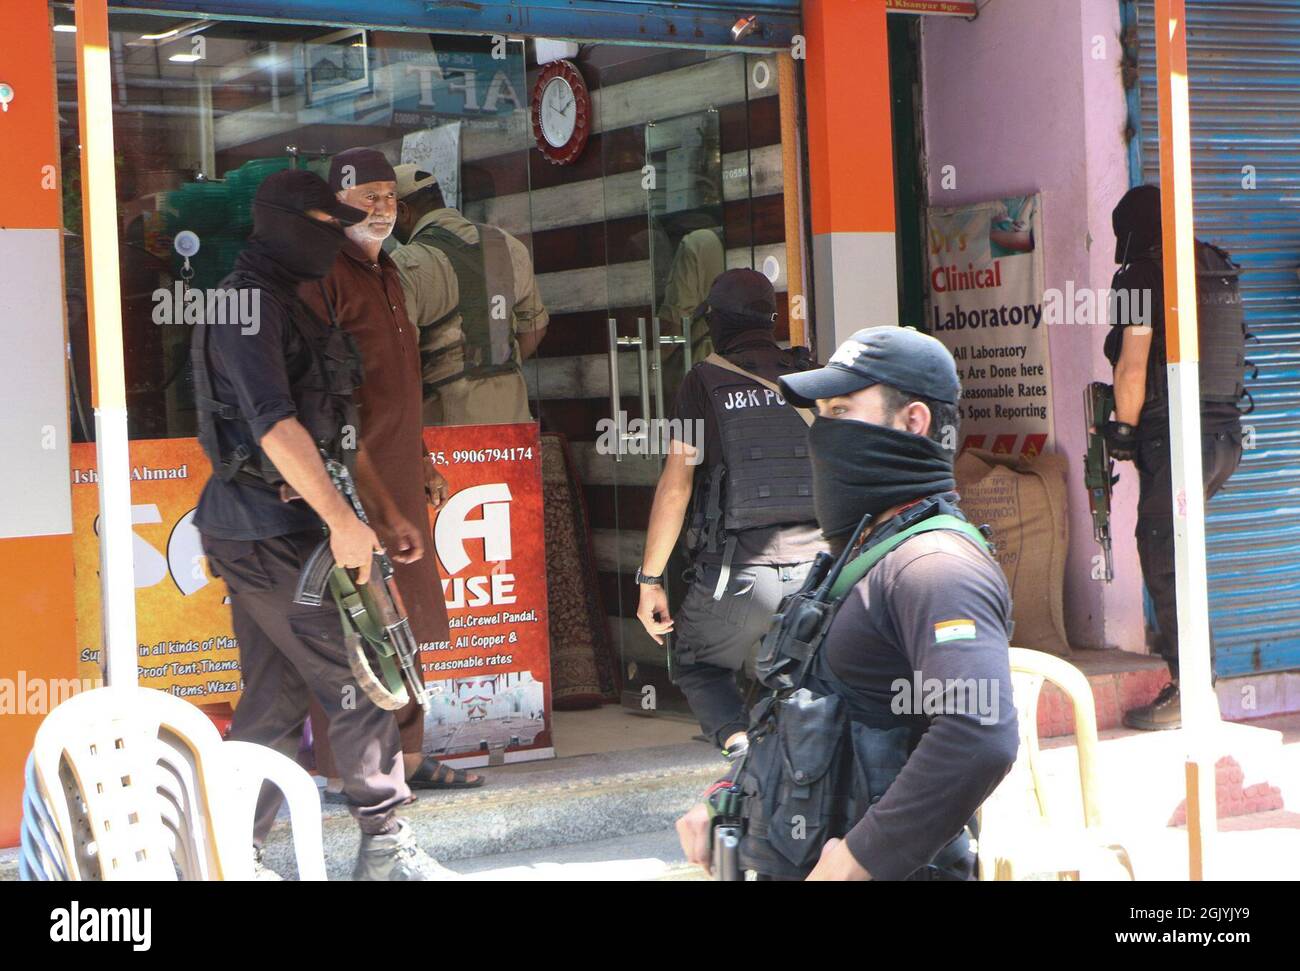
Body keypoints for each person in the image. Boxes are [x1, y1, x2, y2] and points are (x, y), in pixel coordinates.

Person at [674, 326, 1020, 880]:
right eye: (822, 413)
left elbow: (977, 735)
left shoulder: (934, 566)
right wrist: (729, 798)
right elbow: (799, 710)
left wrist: (859, 861)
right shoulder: (865, 550)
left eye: (840, 410)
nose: (821, 431)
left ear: (913, 422)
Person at [192, 169, 446, 880]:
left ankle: (232, 854)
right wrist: (341, 520)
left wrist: (382, 514)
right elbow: (274, 426)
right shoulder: (246, 303)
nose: (336, 235)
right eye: (325, 222)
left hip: (291, 527)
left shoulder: (295, 299)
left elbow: (334, 426)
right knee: (357, 671)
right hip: (265, 525)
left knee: (274, 696)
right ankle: (387, 841)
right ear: (283, 220)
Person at [299, 148, 484, 793]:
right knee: (354, 630)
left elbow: (399, 384)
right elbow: (321, 395)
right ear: (334, 204)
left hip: (400, 474)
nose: (380, 209)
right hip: (354, 482)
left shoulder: (390, 274)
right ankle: (349, 770)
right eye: (366, 197)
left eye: (387, 197)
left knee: (402, 626)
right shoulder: (322, 277)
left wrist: (425, 456)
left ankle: (406, 759)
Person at [636, 269, 827, 759]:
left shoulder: (703, 381)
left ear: (717, 323)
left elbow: (676, 488)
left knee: (697, 663)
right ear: (771, 319)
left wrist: (650, 579)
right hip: (821, 570)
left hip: (739, 573)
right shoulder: (812, 377)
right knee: (803, 668)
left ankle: (737, 739)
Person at [1103, 185, 1246, 731]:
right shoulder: (1210, 262)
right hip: (1222, 437)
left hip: (1177, 439)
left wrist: (1121, 430)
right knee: (1177, 555)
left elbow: (1132, 368)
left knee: (1165, 558)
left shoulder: (1139, 275)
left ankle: (1190, 692)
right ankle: (1195, 687)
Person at [390, 164, 548, 426]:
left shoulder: (406, 262)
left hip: (445, 429)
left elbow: (401, 359)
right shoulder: (509, 245)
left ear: (403, 211)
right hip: (513, 423)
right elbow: (534, 330)